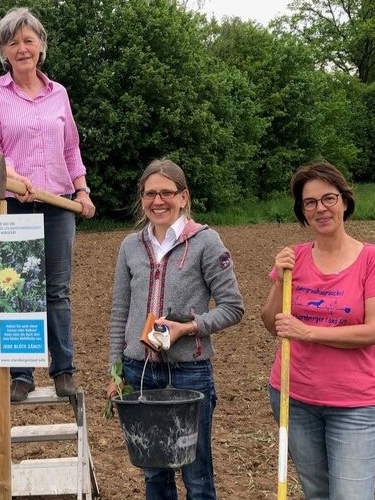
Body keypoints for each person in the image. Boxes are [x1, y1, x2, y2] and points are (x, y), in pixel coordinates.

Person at [260, 162, 375, 500]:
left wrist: (308, 332)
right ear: (302, 212)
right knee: (318, 493)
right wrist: (280, 280)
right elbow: (271, 322)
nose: (320, 208)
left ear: (344, 201)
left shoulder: (373, 260)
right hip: (294, 398)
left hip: (354, 406)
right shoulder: (293, 259)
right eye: (310, 202)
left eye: (328, 198)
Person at [0, 6, 95, 402]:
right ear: (4, 52)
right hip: (11, 204)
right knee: (16, 290)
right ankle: (22, 374)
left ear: (41, 46)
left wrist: (81, 191)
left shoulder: (58, 93)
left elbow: (71, 146)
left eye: (29, 40)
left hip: (58, 203)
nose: (22, 48)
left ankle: (64, 369)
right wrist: (13, 177)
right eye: (14, 42)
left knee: (56, 291)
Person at [107, 159, 244, 500]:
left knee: (196, 475)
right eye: (150, 193)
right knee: (154, 473)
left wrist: (190, 328)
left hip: (190, 374)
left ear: (183, 197)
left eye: (166, 193)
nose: (158, 201)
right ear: (142, 199)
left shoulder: (206, 242)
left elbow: (233, 307)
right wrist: (115, 369)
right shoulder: (130, 246)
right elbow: (119, 312)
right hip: (140, 372)